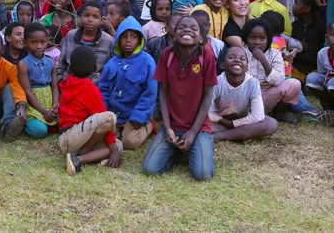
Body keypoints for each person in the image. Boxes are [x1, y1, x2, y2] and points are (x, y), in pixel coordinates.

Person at [142, 16, 215, 181]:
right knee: (149, 169)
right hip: (172, 126)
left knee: (203, 175)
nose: (187, 30)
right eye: (182, 27)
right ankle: (177, 151)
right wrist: (167, 128)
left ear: (201, 37)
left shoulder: (207, 56)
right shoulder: (167, 55)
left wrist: (193, 132)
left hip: (197, 127)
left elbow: (208, 96)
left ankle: (193, 146)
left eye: (193, 28)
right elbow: (162, 93)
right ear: (173, 35)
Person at [60, 47, 123, 175]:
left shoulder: (68, 81)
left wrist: (114, 148)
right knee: (110, 117)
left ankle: (78, 159)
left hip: (68, 140)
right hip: (72, 136)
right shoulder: (89, 88)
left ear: (70, 68)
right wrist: (114, 151)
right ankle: (85, 155)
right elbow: (104, 118)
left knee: (118, 144)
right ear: (95, 68)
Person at [98, 16, 157, 150]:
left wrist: (139, 116)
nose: (128, 41)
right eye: (124, 37)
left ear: (140, 39)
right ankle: (120, 129)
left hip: (135, 114)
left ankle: (147, 126)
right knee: (104, 138)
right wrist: (104, 112)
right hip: (114, 113)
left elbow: (150, 93)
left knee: (129, 143)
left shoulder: (147, 62)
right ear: (118, 38)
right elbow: (104, 89)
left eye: (133, 37)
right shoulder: (112, 63)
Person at [209, 45, 279, 143]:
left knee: (271, 124)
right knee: (197, 123)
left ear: (247, 67)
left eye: (242, 58)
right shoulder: (216, 82)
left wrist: (233, 124)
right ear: (222, 64)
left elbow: (257, 116)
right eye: (231, 57)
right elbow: (205, 111)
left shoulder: (253, 83)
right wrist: (223, 121)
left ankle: (219, 136)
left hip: (243, 121)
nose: (237, 60)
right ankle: (240, 134)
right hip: (218, 121)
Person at [56, 1, 115, 83]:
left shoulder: (108, 41)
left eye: (95, 17)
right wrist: (61, 81)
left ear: (101, 20)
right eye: (86, 15)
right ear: (80, 17)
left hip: (94, 87)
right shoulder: (70, 36)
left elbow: (109, 70)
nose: (90, 20)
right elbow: (61, 64)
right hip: (69, 86)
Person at [18, 24, 59, 139]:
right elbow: (27, 91)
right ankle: (29, 123)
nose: (39, 46)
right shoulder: (23, 64)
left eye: (43, 42)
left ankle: (52, 123)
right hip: (34, 104)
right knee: (39, 131)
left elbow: (55, 87)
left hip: (50, 101)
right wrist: (43, 111)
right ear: (25, 43)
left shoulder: (51, 62)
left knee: (67, 122)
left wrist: (54, 106)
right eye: (34, 42)